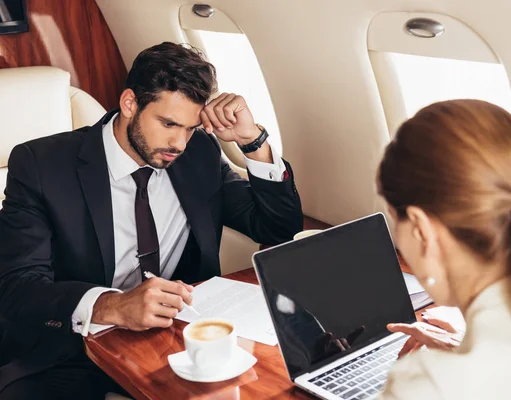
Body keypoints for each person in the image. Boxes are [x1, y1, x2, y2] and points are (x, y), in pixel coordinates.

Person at [0, 42, 303, 399]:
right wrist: (112, 305)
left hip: (178, 338)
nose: (179, 143)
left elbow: (278, 229)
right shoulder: (42, 165)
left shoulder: (200, 154)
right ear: (130, 103)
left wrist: (253, 143)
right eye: (168, 123)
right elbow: (16, 286)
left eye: (190, 128)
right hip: (72, 348)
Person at [376, 99, 511, 400]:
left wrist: (451, 370)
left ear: (420, 227)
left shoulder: (429, 386)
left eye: (394, 220)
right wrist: (466, 350)